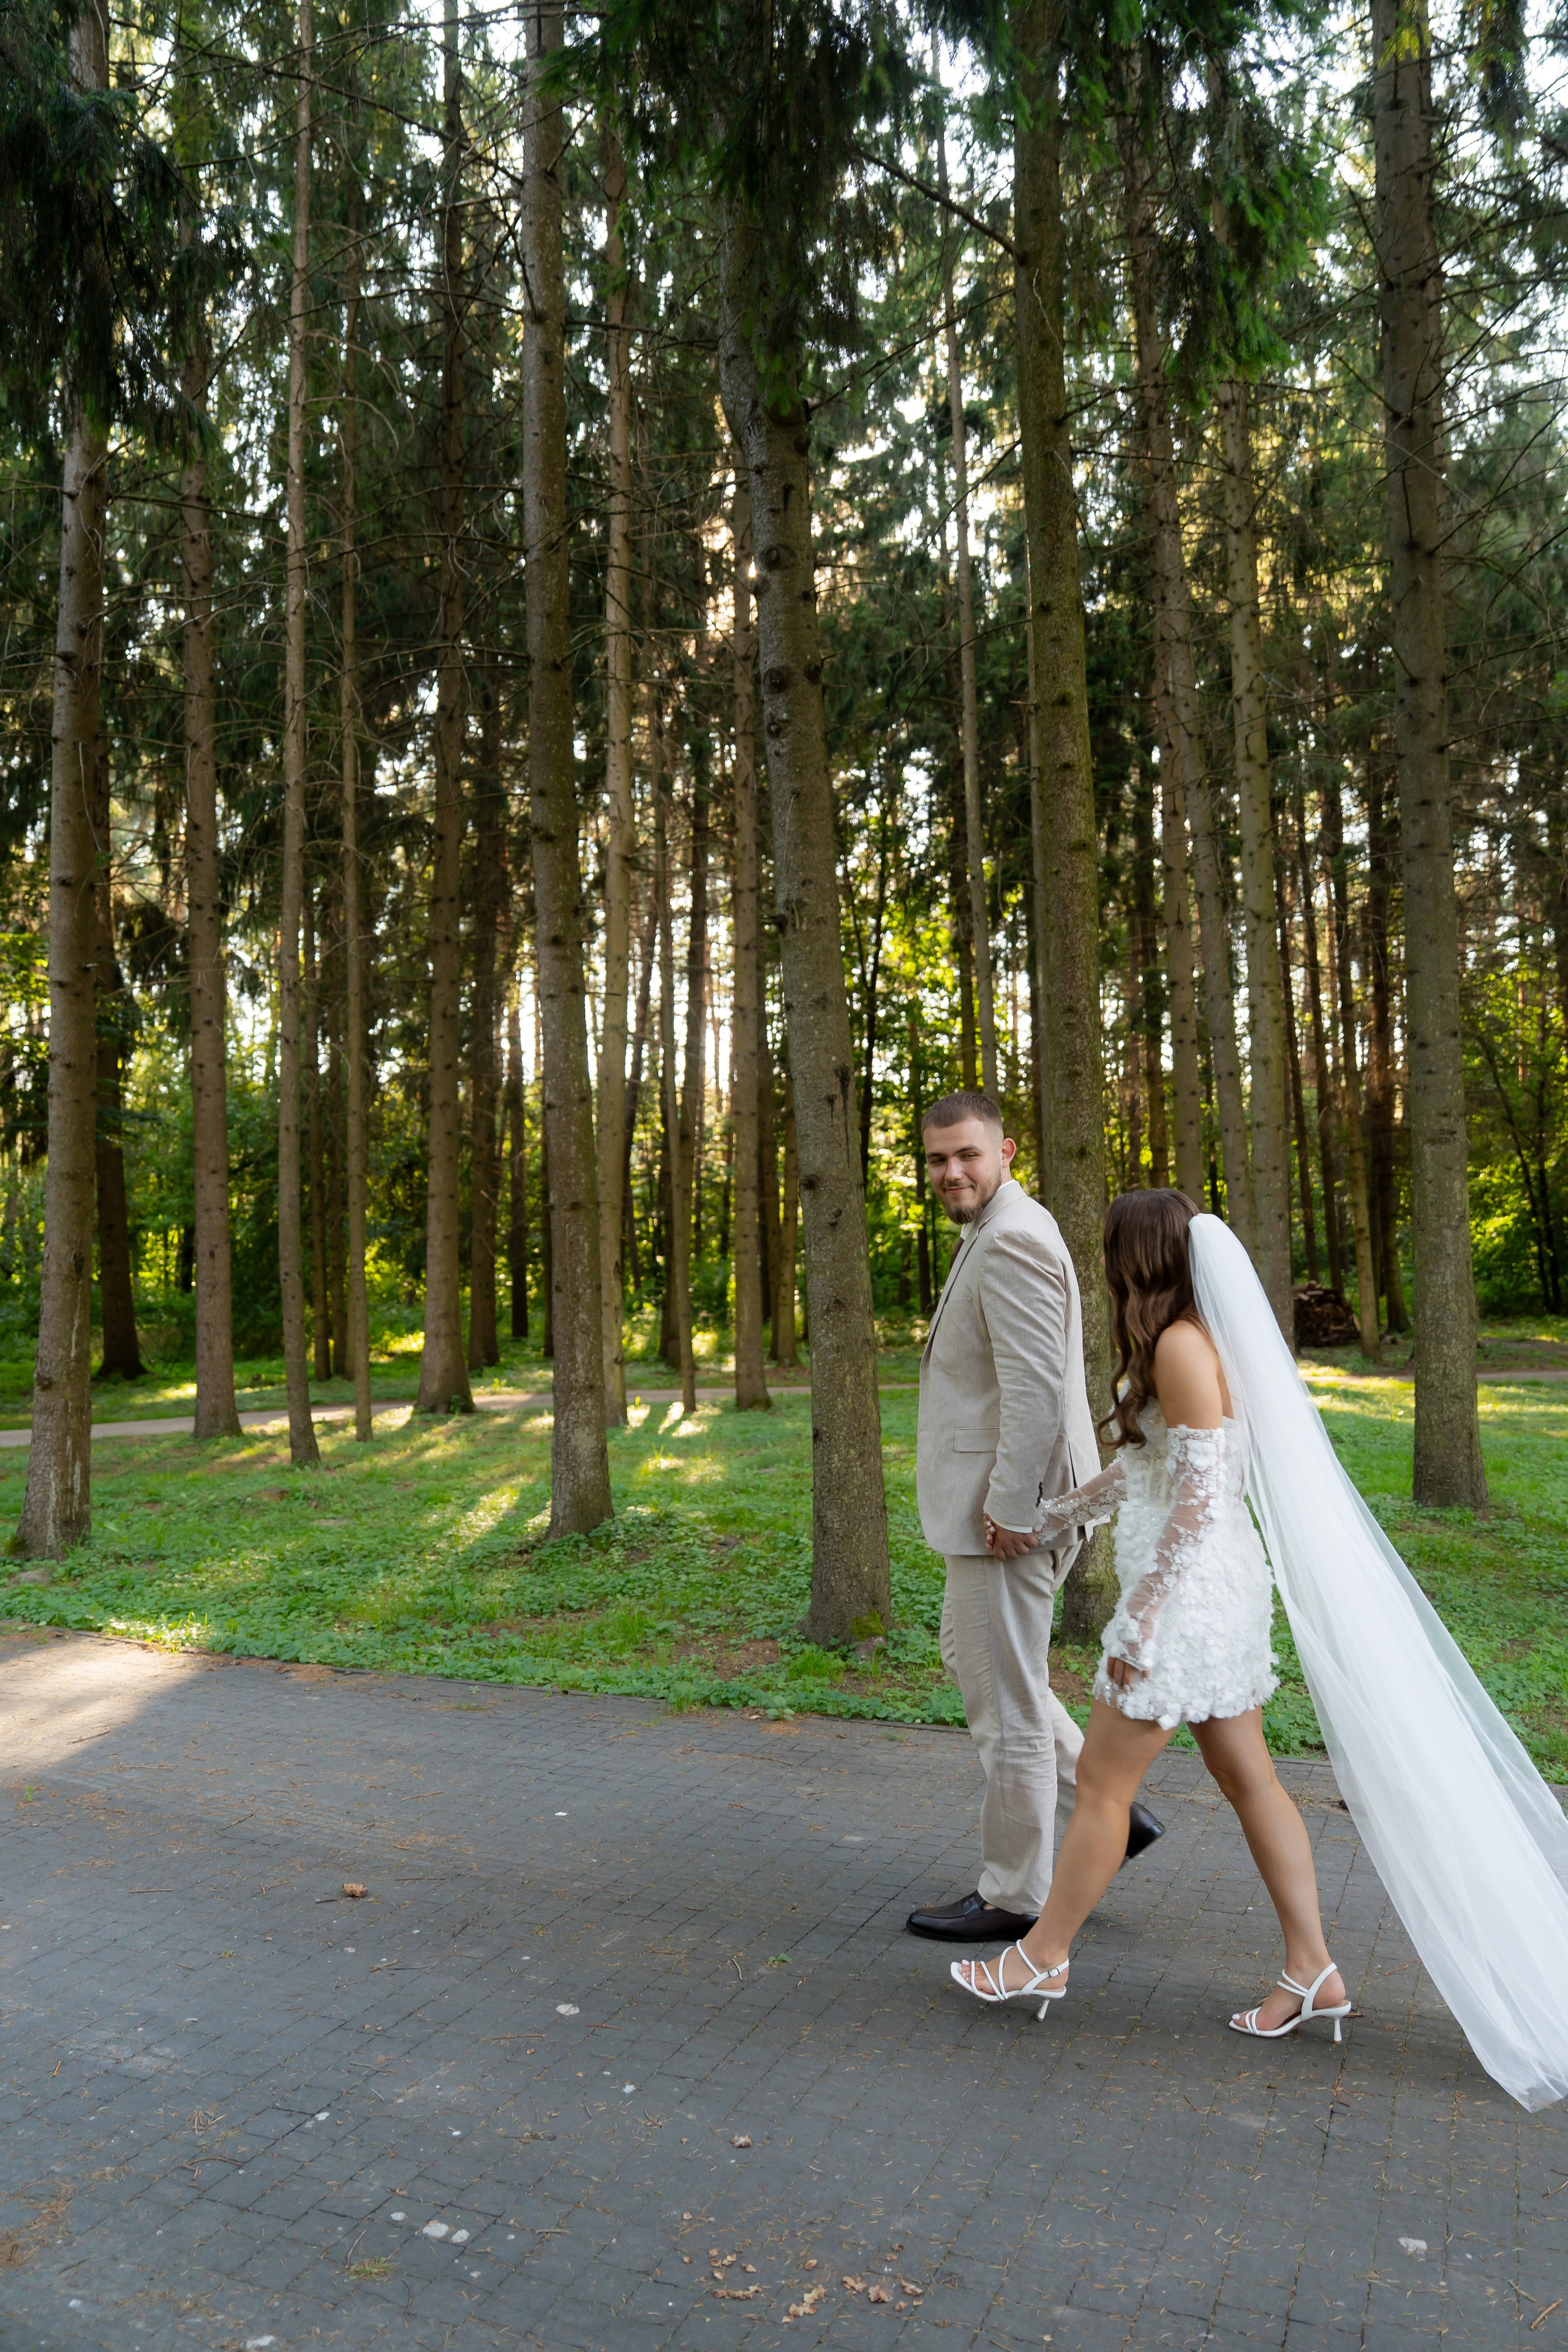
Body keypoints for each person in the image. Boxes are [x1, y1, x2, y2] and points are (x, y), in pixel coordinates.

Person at [948, 1193, 1568, 2115]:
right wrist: (1058, 1516)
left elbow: (1199, 1500)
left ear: (1140, 1256)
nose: (1107, 1264)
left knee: (1108, 1788)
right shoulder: (1185, 1341)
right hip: (1207, 1594)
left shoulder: (1181, 1347)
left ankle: (1040, 1958)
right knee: (1252, 1782)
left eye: (1114, 1250)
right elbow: (1151, 1466)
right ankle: (1312, 1970)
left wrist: (1143, 1621)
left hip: (1189, 1603)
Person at [906, 1093, 1163, 1947]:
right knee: (980, 1664)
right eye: (938, 1159)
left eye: (967, 1156)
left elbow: (1036, 1397)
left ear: (1006, 1150)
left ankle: (1016, 1893)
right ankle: (1111, 1817)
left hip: (1003, 1515)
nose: (951, 1172)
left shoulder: (1011, 1237)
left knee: (1007, 1706)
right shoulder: (997, 1227)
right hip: (991, 1509)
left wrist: (1013, 1513)